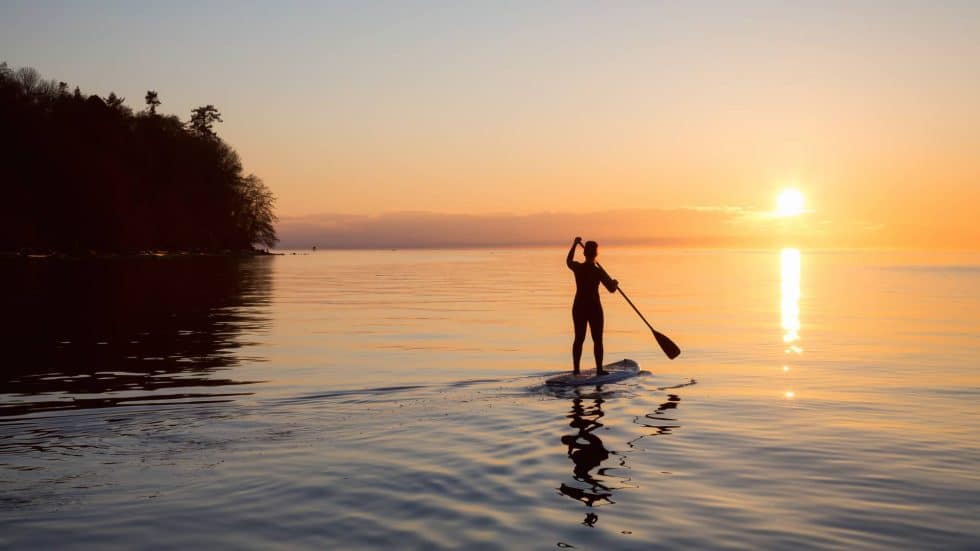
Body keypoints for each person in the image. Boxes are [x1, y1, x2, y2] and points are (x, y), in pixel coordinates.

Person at [566, 237, 618, 375]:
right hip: (594, 308)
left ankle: (576, 370)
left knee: (579, 338)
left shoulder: (578, 268)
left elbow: (568, 261)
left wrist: (574, 244)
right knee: (598, 339)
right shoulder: (598, 272)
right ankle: (599, 369)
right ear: (596, 254)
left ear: (584, 254)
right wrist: (615, 283)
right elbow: (612, 289)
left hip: (579, 307)